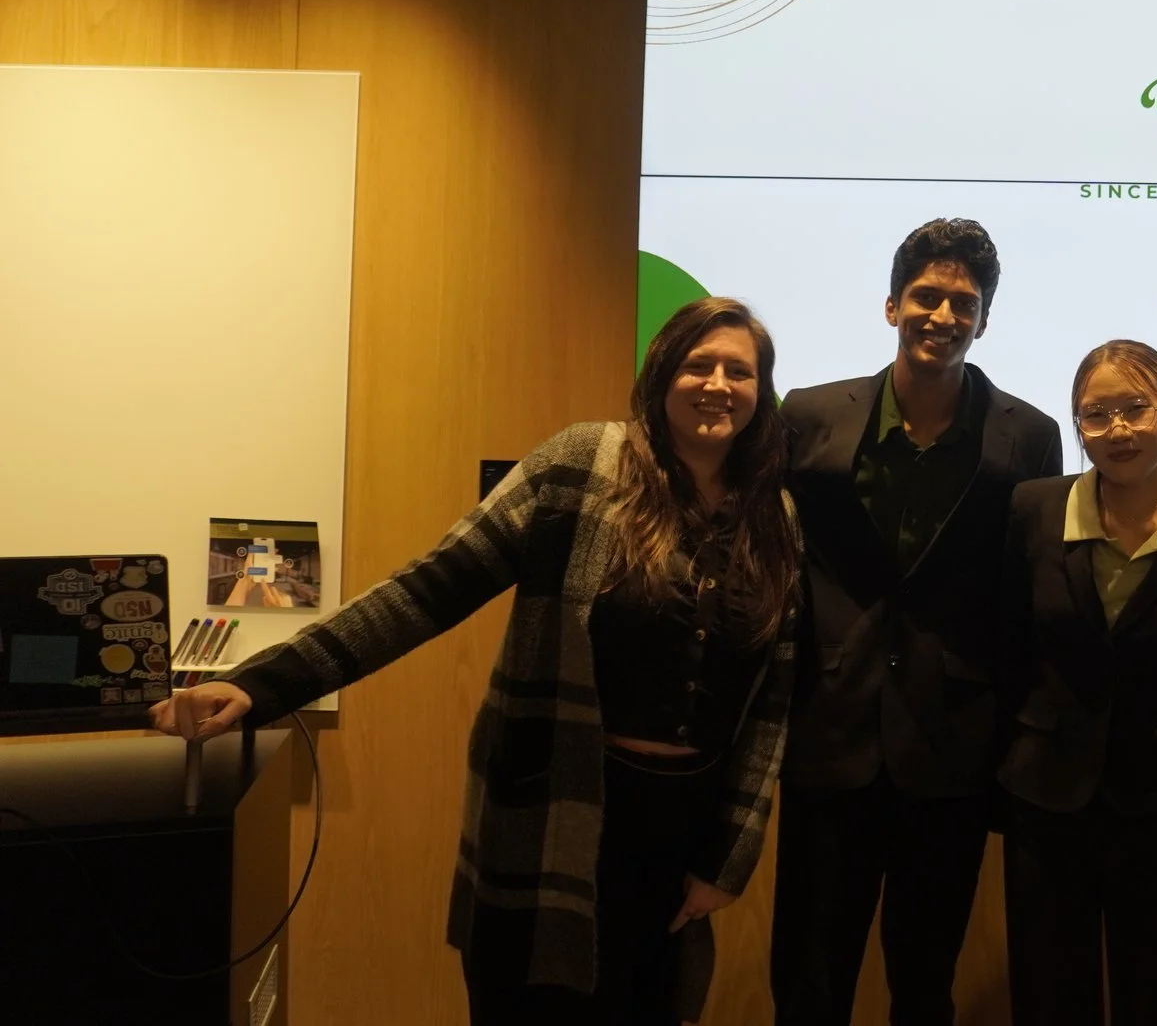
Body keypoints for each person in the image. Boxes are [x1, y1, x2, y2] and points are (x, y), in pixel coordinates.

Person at [150, 297, 803, 1026]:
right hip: (553, 809)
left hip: (681, 831)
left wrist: (726, 860)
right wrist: (264, 683)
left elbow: (772, 705)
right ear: (661, 374)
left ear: (761, 390)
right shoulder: (581, 466)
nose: (718, 383)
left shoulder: (774, 519)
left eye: (739, 371)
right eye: (699, 364)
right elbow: (427, 590)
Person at [772, 218, 1064, 1026]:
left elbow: (1022, 596)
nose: (943, 314)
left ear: (985, 319)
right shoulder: (809, 415)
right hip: (828, 734)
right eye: (927, 296)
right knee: (807, 975)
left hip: (953, 746)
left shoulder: (1029, 437)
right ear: (892, 304)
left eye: (962, 302)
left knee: (925, 978)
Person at [995, 341, 1157, 1025]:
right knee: (1047, 995)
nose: (1119, 429)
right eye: (1096, 414)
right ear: (1078, 427)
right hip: (1045, 800)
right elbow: (1008, 647)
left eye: (1136, 408)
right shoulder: (1033, 510)